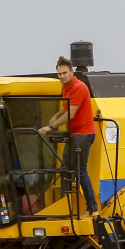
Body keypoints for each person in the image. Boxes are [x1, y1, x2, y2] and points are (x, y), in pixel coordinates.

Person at [39, 56, 98, 217]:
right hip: (74, 134)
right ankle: (66, 207)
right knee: (65, 169)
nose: (62, 76)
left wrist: (50, 126)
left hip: (83, 134)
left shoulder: (79, 87)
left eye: (64, 73)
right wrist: (57, 115)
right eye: (59, 74)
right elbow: (67, 107)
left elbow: (71, 113)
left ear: (72, 72)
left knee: (80, 171)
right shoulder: (65, 87)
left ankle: (93, 209)